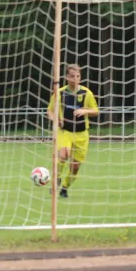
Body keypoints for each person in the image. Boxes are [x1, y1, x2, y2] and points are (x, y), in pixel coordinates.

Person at [47, 64, 99, 198]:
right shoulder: (60, 93)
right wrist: (55, 120)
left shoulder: (86, 93)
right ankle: (56, 180)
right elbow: (50, 110)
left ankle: (65, 187)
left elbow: (95, 111)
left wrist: (84, 110)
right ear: (66, 77)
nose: (75, 79)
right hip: (65, 132)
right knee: (63, 155)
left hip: (81, 134)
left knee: (75, 167)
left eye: (78, 76)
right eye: (72, 76)